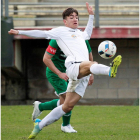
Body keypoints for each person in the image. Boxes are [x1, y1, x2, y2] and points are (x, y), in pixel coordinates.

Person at [8, 2, 122, 139]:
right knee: (93, 63)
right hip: (73, 66)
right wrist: (20, 32)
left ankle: (40, 125)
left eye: (76, 17)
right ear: (65, 21)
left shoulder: (81, 34)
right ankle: (110, 71)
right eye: (71, 17)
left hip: (83, 74)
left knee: (67, 106)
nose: (75, 19)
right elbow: (41, 33)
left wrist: (91, 16)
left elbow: (88, 33)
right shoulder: (60, 32)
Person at [33, 39, 93, 133]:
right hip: (55, 73)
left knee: (64, 103)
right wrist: (59, 73)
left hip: (70, 72)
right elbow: (46, 59)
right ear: (65, 23)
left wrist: (91, 73)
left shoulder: (82, 37)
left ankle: (40, 107)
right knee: (67, 99)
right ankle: (65, 125)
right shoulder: (57, 39)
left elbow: (89, 55)